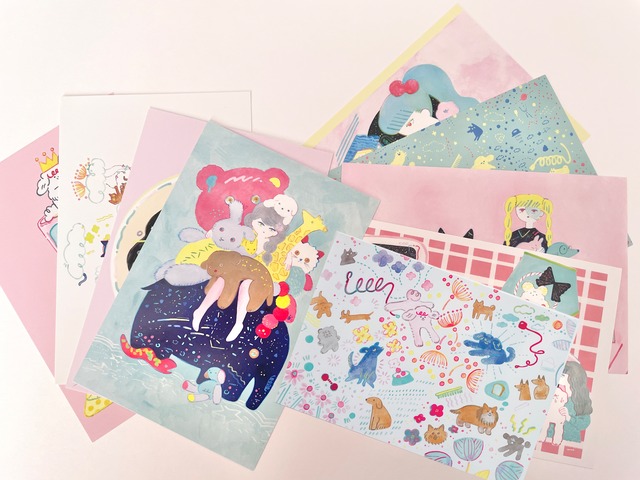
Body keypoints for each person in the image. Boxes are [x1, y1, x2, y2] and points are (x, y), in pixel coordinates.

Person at [557, 360, 593, 443]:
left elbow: (585, 423)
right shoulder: (555, 395)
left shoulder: (580, 401)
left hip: (570, 440)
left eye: (563, 376)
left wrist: (569, 417)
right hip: (548, 437)